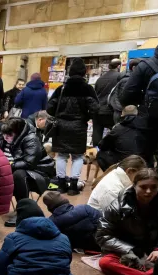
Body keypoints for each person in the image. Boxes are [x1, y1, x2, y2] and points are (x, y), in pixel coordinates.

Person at [96, 168, 158, 275]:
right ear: (134, 186)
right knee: (105, 263)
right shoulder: (116, 206)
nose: (148, 191)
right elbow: (102, 236)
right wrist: (129, 249)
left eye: (153, 187)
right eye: (143, 187)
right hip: (127, 251)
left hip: (154, 250)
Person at [48, 58, 99, 195]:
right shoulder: (87, 89)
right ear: (84, 72)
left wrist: (59, 115)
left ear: (69, 72)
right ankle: (73, 186)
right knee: (77, 157)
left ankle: (61, 185)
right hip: (79, 127)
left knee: (61, 156)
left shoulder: (62, 88)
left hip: (61, 127)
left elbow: (49, 108)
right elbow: (95, 108)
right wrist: (86, 116)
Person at [0, 117, 55, 226]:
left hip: (37, 173)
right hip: (9, 170)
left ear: (18, 132)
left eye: (9, 135)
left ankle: (23, 211)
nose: (6, 137)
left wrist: (7, 165)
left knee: (19, 174)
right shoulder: (3, 132)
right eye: (4, 135)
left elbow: (29, 163)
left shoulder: (31, 139)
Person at [97, 105, 145, 170]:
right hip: (143, 162)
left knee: (101, 154)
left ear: (122, 115)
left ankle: (113, 174)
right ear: (137, 113)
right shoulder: (146, 127)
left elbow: (102, 145)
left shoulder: (118, 128)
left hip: (123, 163)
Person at [93, 58, 124, 145]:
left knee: (97, 132)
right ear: (118, 66)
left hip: (98, 110)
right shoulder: (119, 77)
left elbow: (95, 93)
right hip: (112, 110)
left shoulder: (100, 79)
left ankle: (96, 152)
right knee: (114, 132)